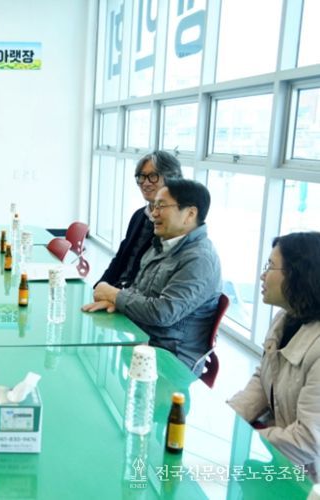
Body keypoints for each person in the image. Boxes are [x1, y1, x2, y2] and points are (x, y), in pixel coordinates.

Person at [83, 179, 222, 373]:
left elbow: (163, 313)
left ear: (190, 214)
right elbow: (137, 290)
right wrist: (116, 302)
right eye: (154, 206)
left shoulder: (200, 259)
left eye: (161, 206)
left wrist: (114, 295)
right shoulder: (161, 245)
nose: (153, 213)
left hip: (171, 360)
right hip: (142, 341)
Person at [228, 232, 320, 469]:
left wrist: (247, 438)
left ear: (298, 275)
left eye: (270, 266)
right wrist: (230, 417)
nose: (262, 275)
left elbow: (307, 440)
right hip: (279, 454)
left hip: (307, 475)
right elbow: (264, 379)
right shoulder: (285, 318)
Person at [96, 150, 182, 289]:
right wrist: (99, 286)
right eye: (141, 176)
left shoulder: (173, 224)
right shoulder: (139, 215)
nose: (145, 183)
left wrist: (117, 295)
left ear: (171, 178)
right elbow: (120, 259)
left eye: (152, 176)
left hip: (135, 296)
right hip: (118, 289)